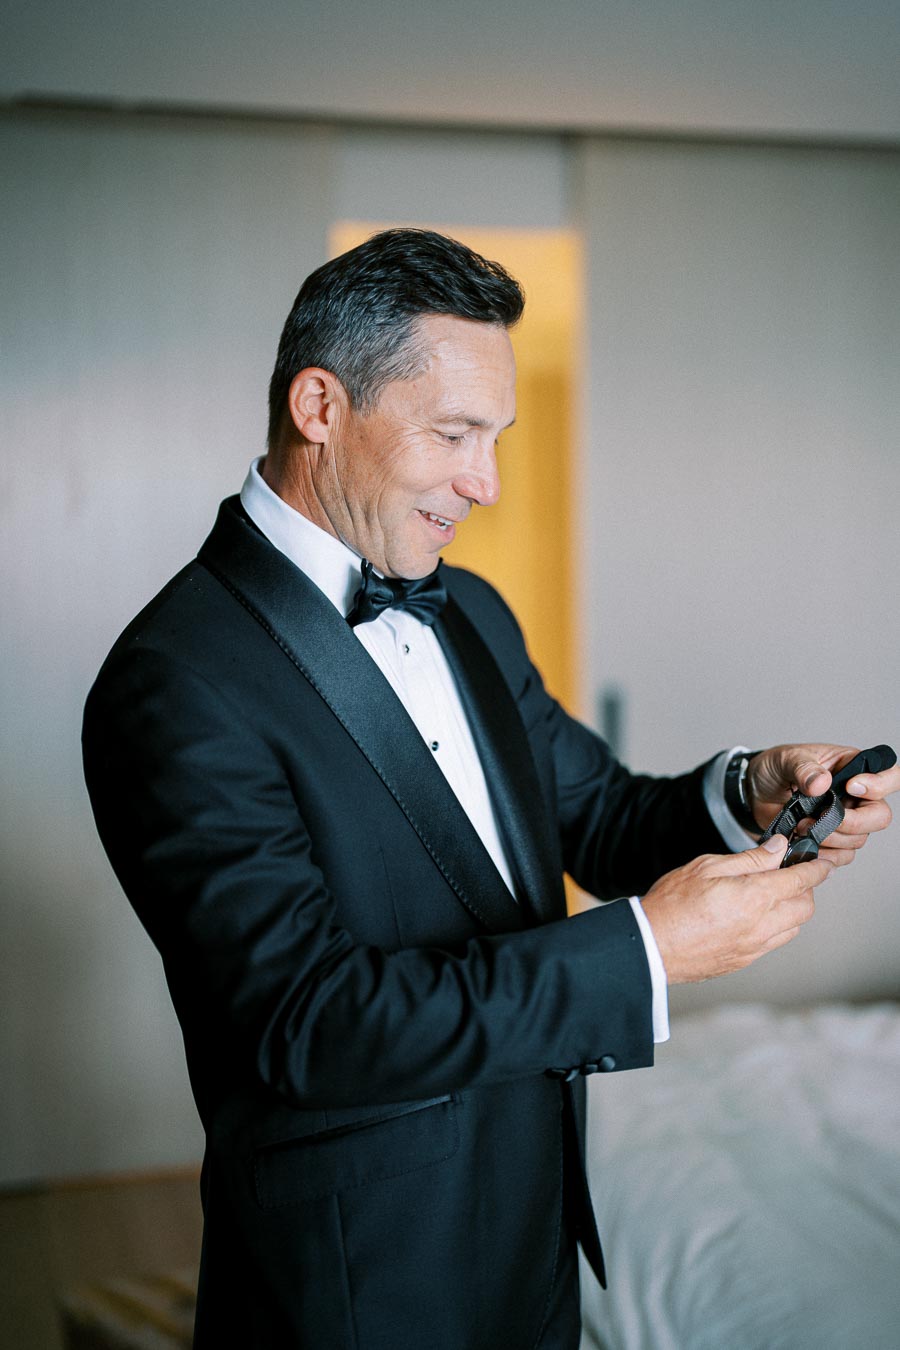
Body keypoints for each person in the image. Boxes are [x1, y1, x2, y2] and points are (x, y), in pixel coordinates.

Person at [82, 228, 898, 1350]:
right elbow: (309, 1025)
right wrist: (646, 951)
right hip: (361, 1277)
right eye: (456, 434)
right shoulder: (175, 681)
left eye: (497, 437)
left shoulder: (468, 612)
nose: (489, 484)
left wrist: (753, 790)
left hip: (532, 1230)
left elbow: (597, 817)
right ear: (320, 407)